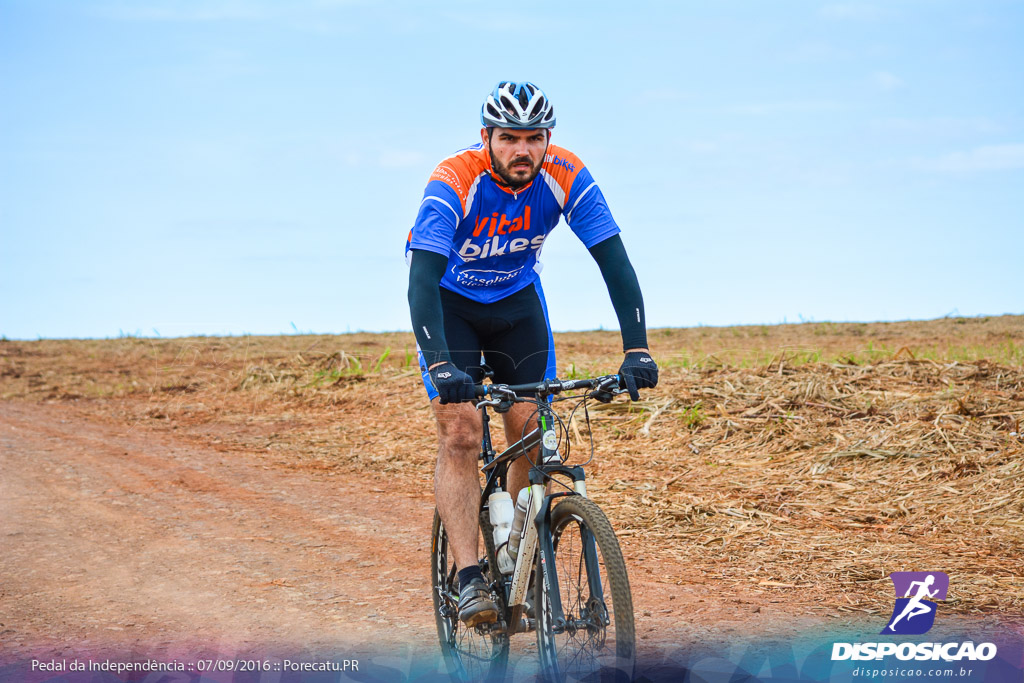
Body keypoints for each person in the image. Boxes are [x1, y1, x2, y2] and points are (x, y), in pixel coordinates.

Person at [406, 81, 658, 627]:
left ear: (549, 139)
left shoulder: (566, 174)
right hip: (451, 306)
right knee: (462, 433)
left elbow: (614, 261)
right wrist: (442, 363)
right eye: (510, 138)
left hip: (517, 306)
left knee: (531, 432)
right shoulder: (453, 181)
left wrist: (636, 349)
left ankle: (520, 562)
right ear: (486, 138)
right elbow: (421, 279)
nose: (523, 150)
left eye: (534, 138)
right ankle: (469, 573)